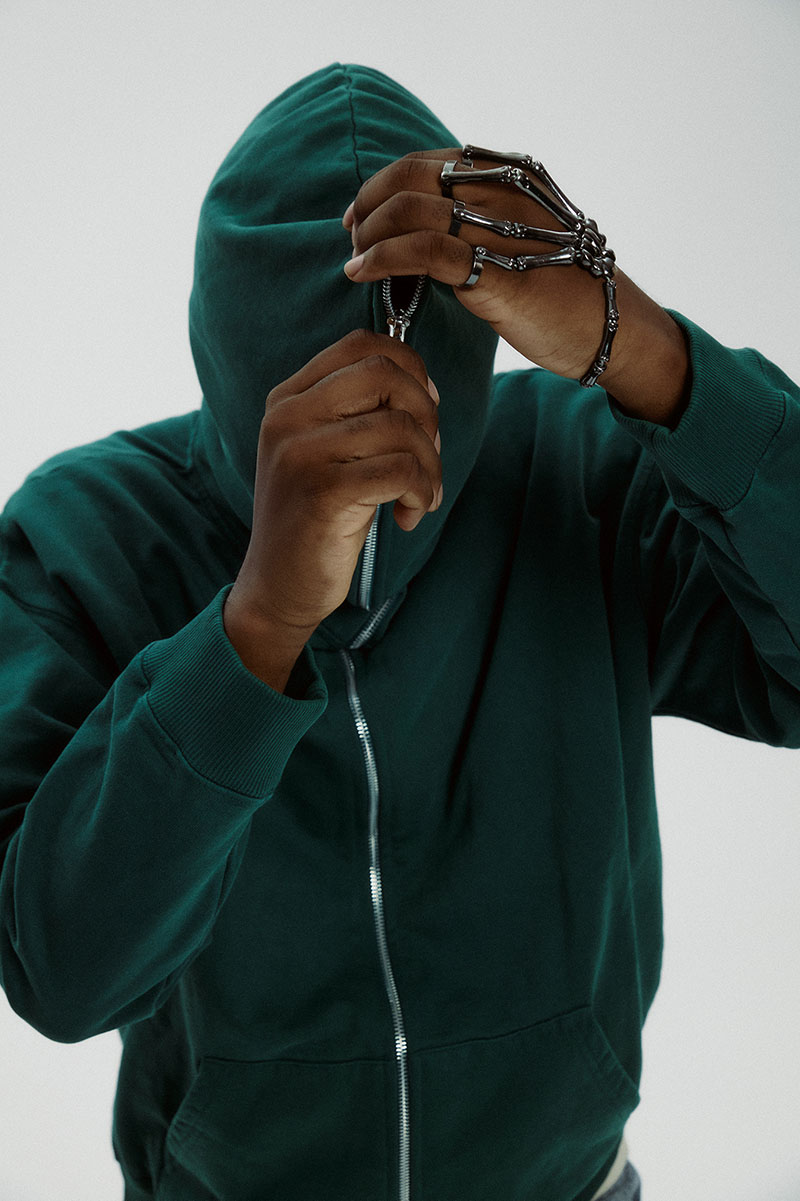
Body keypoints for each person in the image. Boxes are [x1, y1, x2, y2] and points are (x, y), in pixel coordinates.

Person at [0, 60, 798, 1201]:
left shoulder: (576, 472)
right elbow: (63, 972)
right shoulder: (82, 537)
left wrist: (650, 357)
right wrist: (259, 621)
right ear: (231, 345)